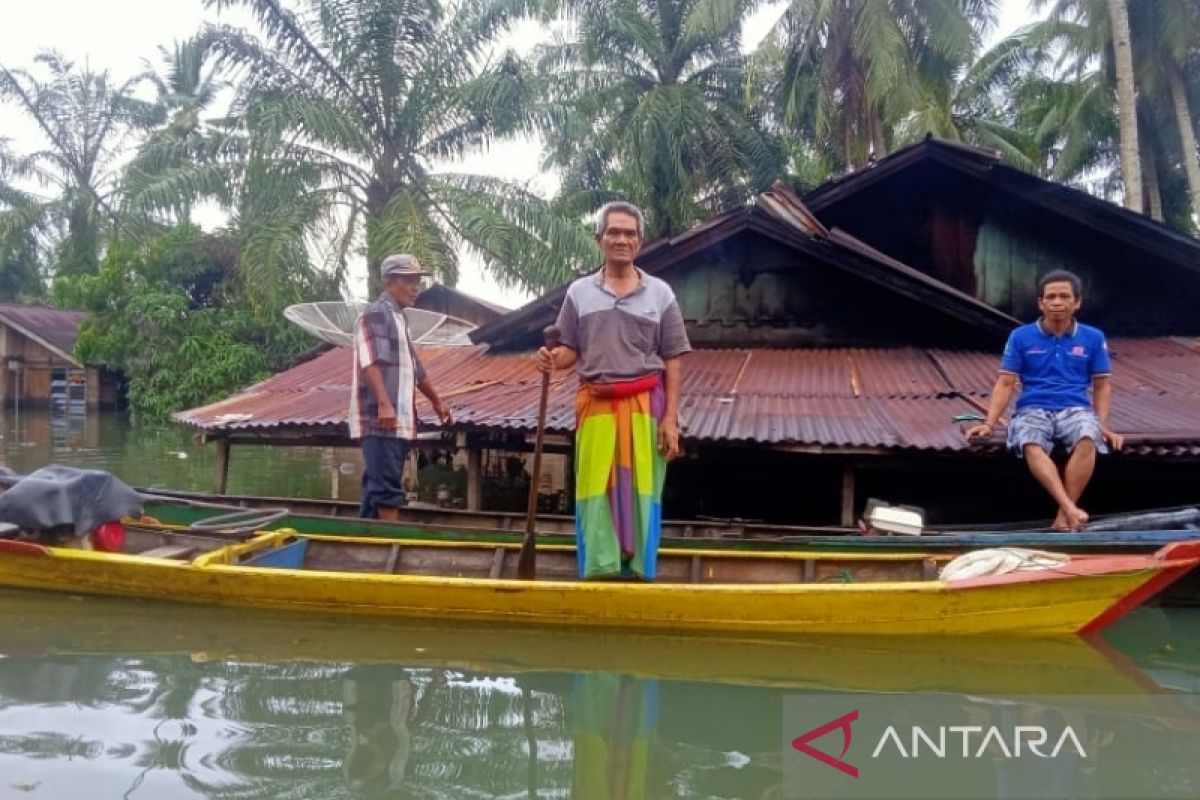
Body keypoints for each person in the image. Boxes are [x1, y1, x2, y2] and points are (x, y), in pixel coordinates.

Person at [535, 201, 692, 579]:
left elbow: (673, 357)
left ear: (640, 242)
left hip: (644, 406)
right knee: (595, 485)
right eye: (613, 232)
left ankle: (638, 569)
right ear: (599, 239)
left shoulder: (661, 294)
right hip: (596, 404)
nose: (621, 239)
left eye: (629, 233)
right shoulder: (579, 293)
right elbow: (570, 350)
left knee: (642, 489)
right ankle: (600, 567)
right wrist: (551, 360)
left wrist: (670, 419)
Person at [966, 269, 1123, 531]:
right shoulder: (1021, 336)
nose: (1057, 302)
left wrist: (1102, 424)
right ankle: (1071, 509)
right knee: (1030, 442)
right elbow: (1005, 382)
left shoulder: (1093, 337)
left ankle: (1064, 515)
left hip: (1075, 408)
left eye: (1064, 296)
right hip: (1032, 407)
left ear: (1077, 302)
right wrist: (989, 423)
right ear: (1041, 303)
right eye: (1051, 297)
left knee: (1088, 437)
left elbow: (1101, 385)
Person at [350, 254, 453, 520]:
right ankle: (389, 548)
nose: (415, 287)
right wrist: (385, 404)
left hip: (397, 419)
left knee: (377, 487)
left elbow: (417, 369)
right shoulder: (376, 314)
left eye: (417, 281)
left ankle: (367, 544)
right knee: (386, 489)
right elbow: (370, 362)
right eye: (409, 281)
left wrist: (437, 402)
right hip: (382, 418)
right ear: (390, 282)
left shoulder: (399, 319)